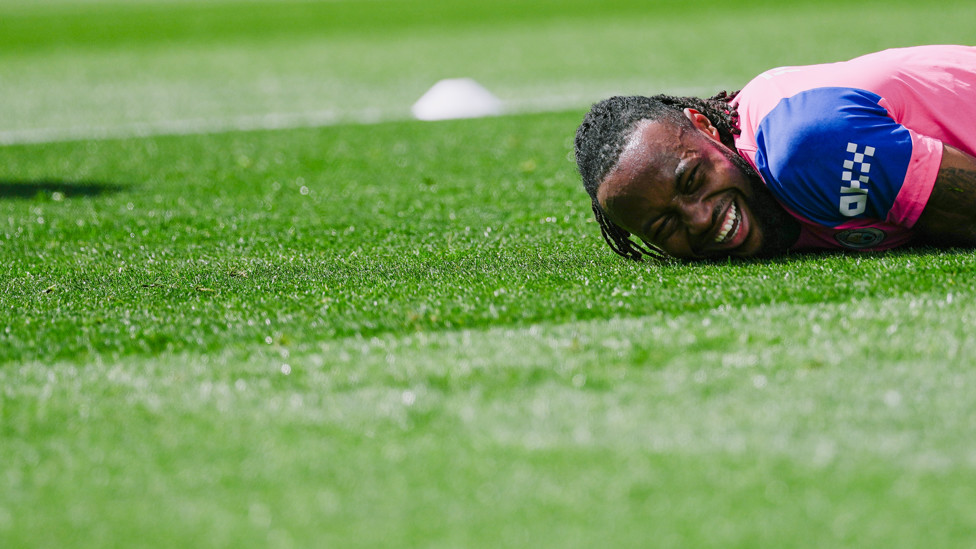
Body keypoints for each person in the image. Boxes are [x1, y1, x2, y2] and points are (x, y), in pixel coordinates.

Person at [574, 44, 976, 261]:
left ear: (705, 126)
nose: (698, 219)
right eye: (665, 228)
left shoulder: (805, 145)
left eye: (693, 179)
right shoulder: (763, 175)